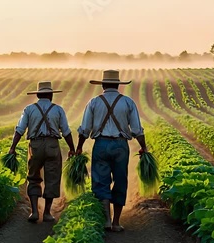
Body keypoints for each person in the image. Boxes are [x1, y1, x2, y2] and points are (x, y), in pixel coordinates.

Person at [76, 70, 147, 232]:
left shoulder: (94, 102)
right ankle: (116, 222)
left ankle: (106, 220)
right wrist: (143, 146)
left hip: (101, 145)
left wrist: (79, 147)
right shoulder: (128, 102)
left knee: (101, 181)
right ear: (118, 85)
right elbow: (136, 129)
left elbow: (84, 129)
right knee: (120, 180)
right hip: (120, 146)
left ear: (102, 85)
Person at [9, 81, 75, 223]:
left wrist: (12, 147)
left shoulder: (29, 109)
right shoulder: (58, 110)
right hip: (52, 145)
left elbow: (19, 130)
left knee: (33, 176)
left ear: (38, 95)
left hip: (36, 145)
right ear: (51, 95)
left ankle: (34, 212)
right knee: (52, 177)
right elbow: (66, 131)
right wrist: (72, 148)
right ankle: (47, 213)